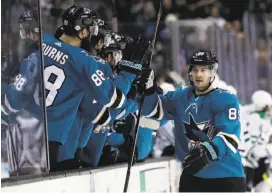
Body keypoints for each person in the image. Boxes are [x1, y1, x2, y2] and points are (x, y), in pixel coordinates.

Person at [2, 4, 143, 171]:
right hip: (54, 144)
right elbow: (113, 99)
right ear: (83, 32)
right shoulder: (83, 62)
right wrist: (129, 72)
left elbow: (15, 96)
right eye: (90, 30)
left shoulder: (42, 45)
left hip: (22, 137)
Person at [140, 50, 246, 192]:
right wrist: (148, 90)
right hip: (193, 176)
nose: (199, 74)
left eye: (204, 70)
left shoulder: (226, 98)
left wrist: (208, 152)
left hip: (226, 176)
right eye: (195, 70)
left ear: (212, 72)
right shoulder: (181, 96)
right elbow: (153, 110)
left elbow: (230, 137)